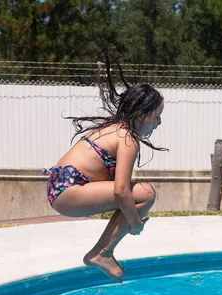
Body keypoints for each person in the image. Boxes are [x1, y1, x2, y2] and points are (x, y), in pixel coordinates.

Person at [42, 56, 166, 283]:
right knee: (146, 193)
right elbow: (120, 191)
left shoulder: (115, 129)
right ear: (142, 114)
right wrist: (135, 223)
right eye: (157, 116)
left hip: (60, 187)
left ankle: (102, 252)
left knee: (137, 195)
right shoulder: (127, 138)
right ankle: (102, 252)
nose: (159, 123)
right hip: (69, 191)